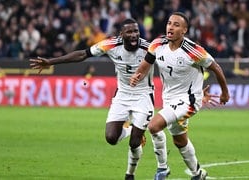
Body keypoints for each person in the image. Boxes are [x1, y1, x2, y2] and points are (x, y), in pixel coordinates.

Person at [29, 18, 170, 180]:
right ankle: (132, 129)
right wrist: (51, 62)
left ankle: (130, 174)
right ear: (121, 34)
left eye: (136, 31)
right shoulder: (110, 44)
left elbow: (168, 62)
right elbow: (83, 54)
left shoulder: (149, 48)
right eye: (129, 32)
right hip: (122, 95)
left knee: (134, 142)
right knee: (111, 138)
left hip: (144, 95)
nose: (134, 35)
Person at [130, 12, 230, 180]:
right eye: (169, 23)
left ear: (184, 30)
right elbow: (146, 63)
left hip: (190, 100)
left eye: (176, 25)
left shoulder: (193, 51)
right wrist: (137, 75)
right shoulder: (157, 44)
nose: (171, 27)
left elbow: (216, 68)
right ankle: (198, 174)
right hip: (169, 100)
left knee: (154, 126)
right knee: (180, 141)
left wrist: (224, 93)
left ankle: (162, 169)